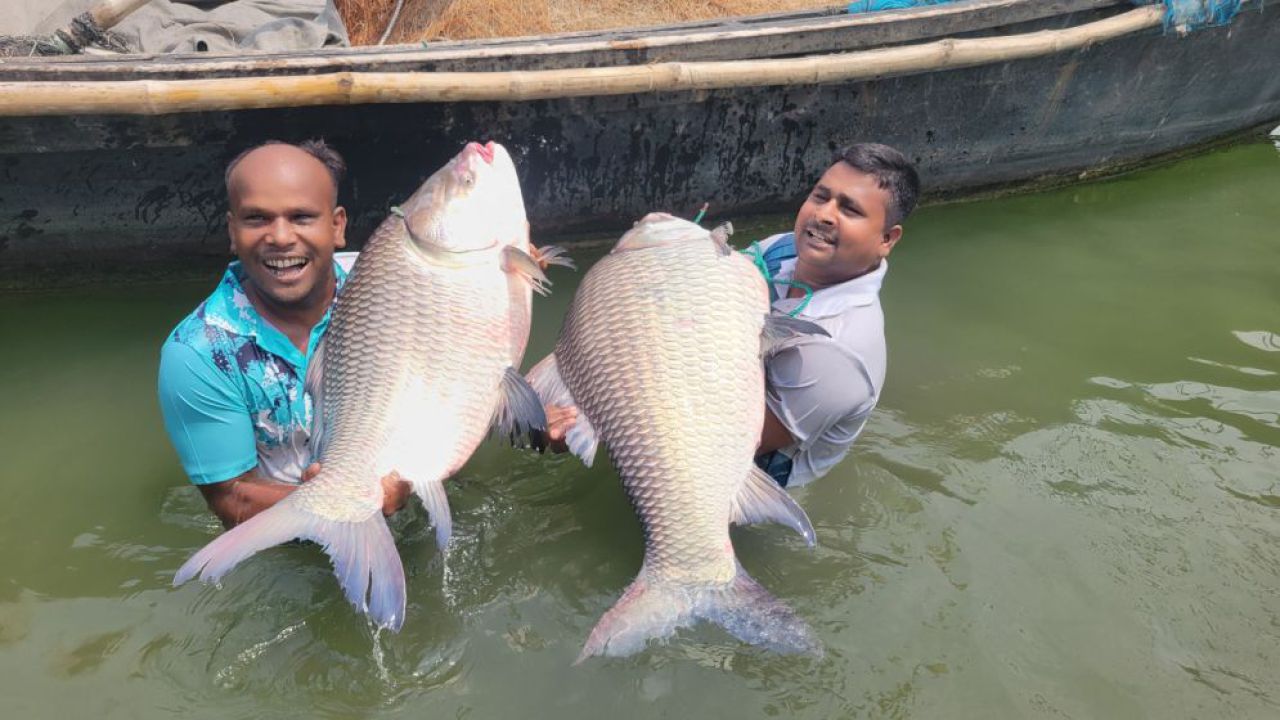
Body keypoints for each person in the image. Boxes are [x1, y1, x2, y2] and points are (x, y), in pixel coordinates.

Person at [156, 140, 410, 528]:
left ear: (337, 225)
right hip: (292, 543)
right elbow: (230, 497)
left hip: (408, 499)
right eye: (257, 219)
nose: (280, 237)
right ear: (232, 230)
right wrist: (336, 498)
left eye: (302, 217)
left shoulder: (388, 288)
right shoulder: (199, 351)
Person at [750, 143, 919, 487]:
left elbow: (739, 440)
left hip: (756, 474)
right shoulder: (784, 249)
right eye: (820, 196)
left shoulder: (840, 349)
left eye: (850, 209)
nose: (823, 215)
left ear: (887, 238)